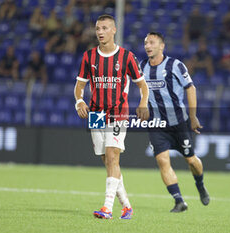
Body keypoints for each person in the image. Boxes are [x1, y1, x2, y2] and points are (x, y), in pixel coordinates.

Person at [74, 14, 149, 219]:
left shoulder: (127, 57)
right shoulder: (89, 57)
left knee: (113, 155)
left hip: (118, 113)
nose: (100, 32)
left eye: (105, 28)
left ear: (114, 30)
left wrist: (143, 102)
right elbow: (79, 85)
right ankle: (126, 206)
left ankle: (107, 208)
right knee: (108, 161)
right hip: (96, 113)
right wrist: (79, 101)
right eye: (98, 28)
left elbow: (142, 85)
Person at [140, 32, 210, 212]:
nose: (148, 46)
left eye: (152, 42)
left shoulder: (175, 65)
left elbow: (190, 88)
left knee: (191, 161)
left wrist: (193, 116)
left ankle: (200, 184)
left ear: (162, 46)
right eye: (146, 42)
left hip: (178, 123)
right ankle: (179, 201)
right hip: (156, 124)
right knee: (163, 161)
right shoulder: (141, 67)